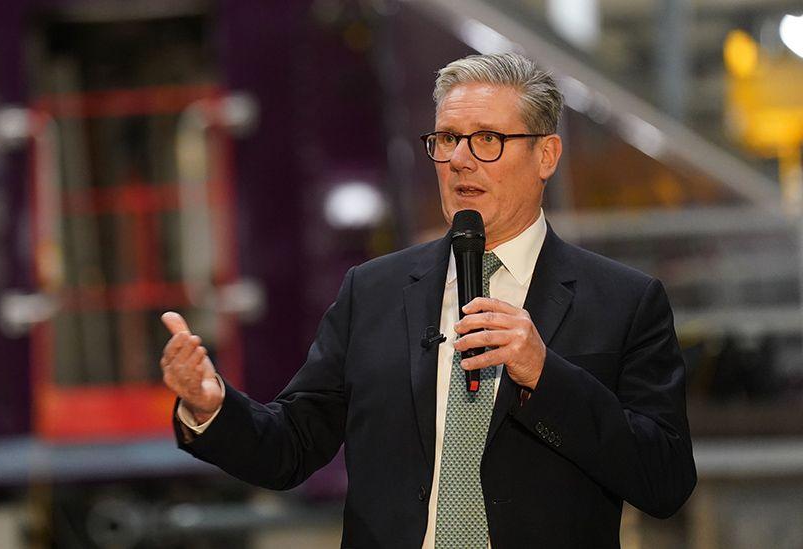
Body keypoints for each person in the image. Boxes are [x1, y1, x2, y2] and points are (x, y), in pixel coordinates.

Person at [159, 53, 697, 549]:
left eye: (486, 139)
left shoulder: (625, 302)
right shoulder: (371, 292)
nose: (460, 160)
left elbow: (665, 481)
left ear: (546, 154)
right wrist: (211, 407)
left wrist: (544, 375)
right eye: (446, 139)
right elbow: (291, 447)